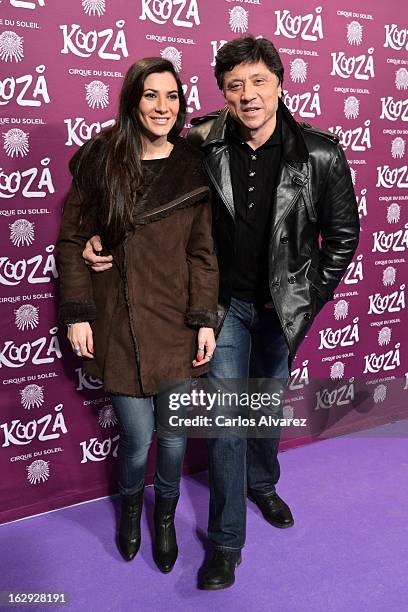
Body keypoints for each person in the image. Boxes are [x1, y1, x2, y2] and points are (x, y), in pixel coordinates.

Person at [81, 37, 360, 589]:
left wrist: (309, 297)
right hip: (222, 308)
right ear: (222, 94)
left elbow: (344, 236)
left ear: (280, 83)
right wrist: (97, 236)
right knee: (229, 422)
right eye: (234, 85)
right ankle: (227, 544)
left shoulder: (321, 153)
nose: (248, 95)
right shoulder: (202, 142)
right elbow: (140, 176)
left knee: (266, 407)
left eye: (258, 81)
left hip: (283, 309)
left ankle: (263, 483)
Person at [57, 57, 219, 574]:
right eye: (151, 95)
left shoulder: (192, 169)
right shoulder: (103, 160)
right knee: (136, 438)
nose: (163, 107)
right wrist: (79, 313)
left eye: (171, 96)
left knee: (173, 437)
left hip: (176, 324)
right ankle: (132, 507)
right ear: (133, 100)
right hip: (119, 324)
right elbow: (72, 242)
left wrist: (205, 319)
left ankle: (164, 517)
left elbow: (203, 255)